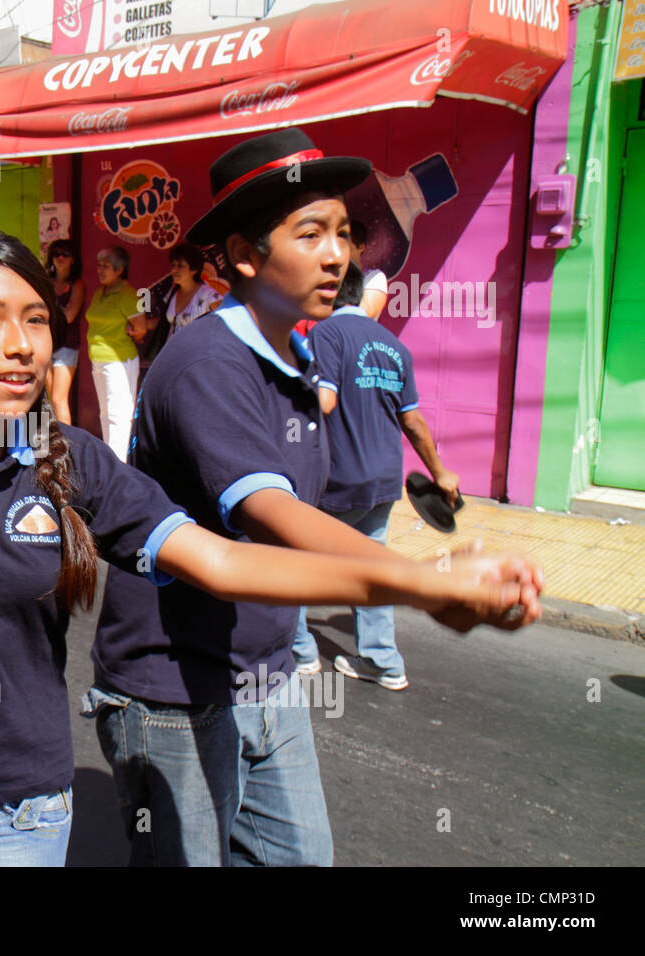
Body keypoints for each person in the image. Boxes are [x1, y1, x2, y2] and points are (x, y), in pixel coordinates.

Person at [0, 231, 542, 868]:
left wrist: (419, 583)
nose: (23, 345)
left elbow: (225, 561)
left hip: (26, 812)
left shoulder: (70, 462)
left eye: (37, 319)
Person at [88, 128, 542, 867]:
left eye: (344, 234)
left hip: (267, 676)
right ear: (243, 255)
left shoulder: (300, 352)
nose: (339, 255)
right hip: (174, 693)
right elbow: (277, 515)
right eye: (311, 234)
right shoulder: (206, 360)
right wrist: (424, 584)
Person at [293, 264, 460, 690]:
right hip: (384, 480)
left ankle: (299, 652)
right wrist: (440, 473)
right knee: (372, 565)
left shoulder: (325, 334)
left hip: (339, 480)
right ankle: (383, 662)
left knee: (293, 557)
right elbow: (415, 422)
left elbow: (324, 402)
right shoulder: (393, 345)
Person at [85, 245, 146, 459]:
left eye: (107, 266)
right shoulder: (99, 293)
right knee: (106, 413)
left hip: (119, 360)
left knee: (118, 414)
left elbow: (141, 328)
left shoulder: (128, 294)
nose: (101, 270)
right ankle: (113, 458)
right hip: (99, 359)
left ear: (119, 270)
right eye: (99, 265)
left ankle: (120, 464)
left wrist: (133, 331)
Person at [44, 239, 85, 425]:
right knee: (49, 396)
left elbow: (70, 315)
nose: (60, 257)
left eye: (65, 254)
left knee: (60, 399)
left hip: (67, 345)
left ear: (73, 259)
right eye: (56, 253)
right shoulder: (47, 281)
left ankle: (66, 447)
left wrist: (46, 312)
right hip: (46, 344)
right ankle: (53, 441)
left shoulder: (77, 284)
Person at [164, 240, 223, 335]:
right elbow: (161, 322)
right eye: (173, 265)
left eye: (180, 266)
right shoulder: (172, 293)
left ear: (194, 270)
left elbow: (226, 320)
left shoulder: (208, 295)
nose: (174, 270)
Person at [350, 220, 388, 320]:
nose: (339, 252)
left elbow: (364, 313)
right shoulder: (329, 275)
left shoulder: (374, 277)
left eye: (346, 247)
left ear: (361, 247)